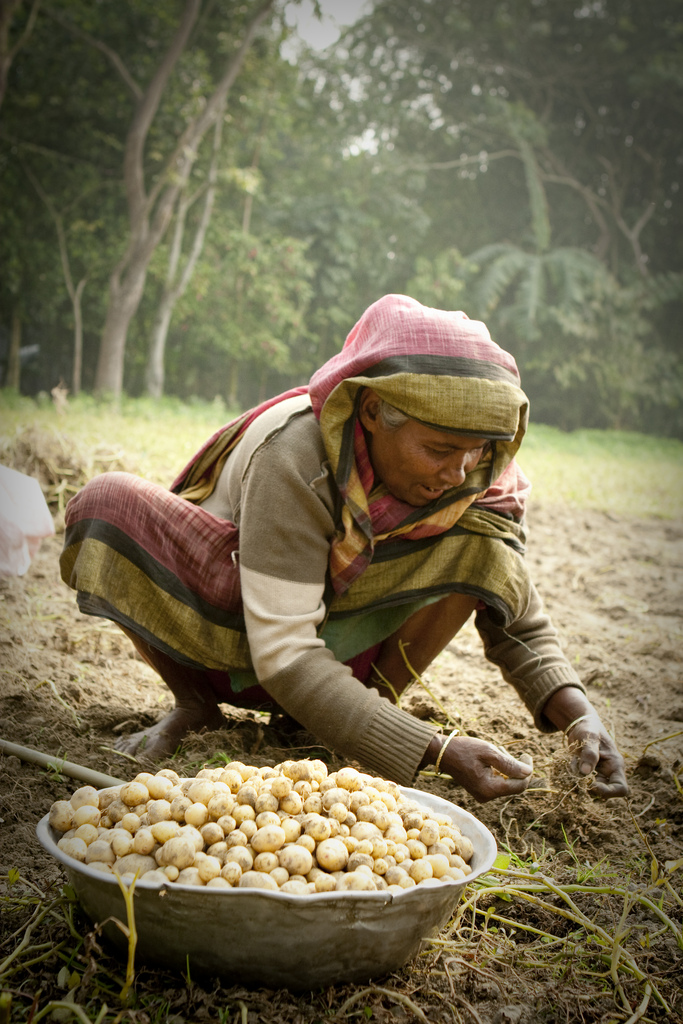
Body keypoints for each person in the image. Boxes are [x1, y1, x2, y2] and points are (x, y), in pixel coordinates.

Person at [60, 295, 628, 802]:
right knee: (107, 507)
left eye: (477, 451)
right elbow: (283, 650)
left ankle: (359, 717)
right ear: (374, 412)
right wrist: (433, 750)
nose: (457, 472)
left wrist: (582, 717)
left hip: (350, 664)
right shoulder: (298, 457)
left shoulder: (476, 474)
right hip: (237, 629)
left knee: (485, 544)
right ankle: (194, 705)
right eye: (438, 449)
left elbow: (519, 616)